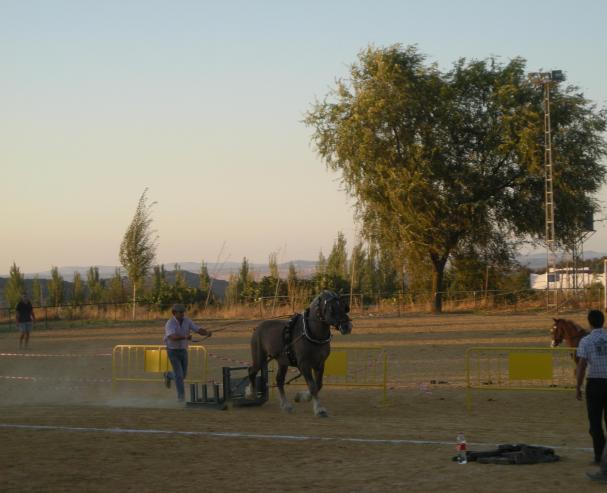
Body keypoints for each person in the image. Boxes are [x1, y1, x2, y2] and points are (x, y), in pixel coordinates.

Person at [575, 309, 607, 482]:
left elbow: (581, 366)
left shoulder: (586, 341)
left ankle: (599, 457)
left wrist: (578, 386)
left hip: (594, 384)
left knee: (595, 423)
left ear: (589, 322)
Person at [163, 303, 211, 402]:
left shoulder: (187, 320)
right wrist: (185, 337)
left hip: (183, 350)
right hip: (172, 351)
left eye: (183, 312)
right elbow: (171, 337)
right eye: (180, 312)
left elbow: (197, 329)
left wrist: (206, 333)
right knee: (179, 375)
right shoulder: (170, 323)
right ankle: (181, 398)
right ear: (174, 313)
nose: (182, 314)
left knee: (183, 375)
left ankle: (168, 375)